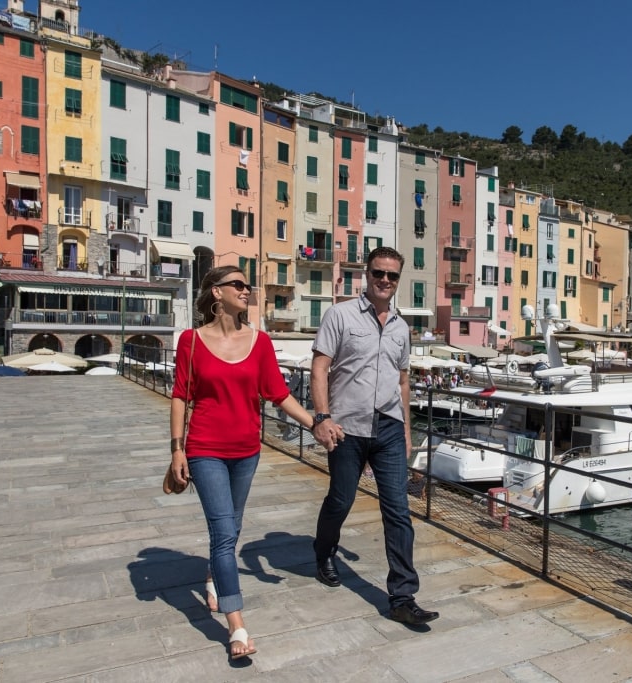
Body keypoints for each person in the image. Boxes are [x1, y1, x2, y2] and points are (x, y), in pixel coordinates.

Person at [168, 265, 336, 660]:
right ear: (216, 293)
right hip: (204, 446)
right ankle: (237, 624)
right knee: (224, 534)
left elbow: (278, 394)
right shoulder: (190, 341)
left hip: (247, 449)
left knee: (232, 526)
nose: (247, 290)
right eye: (238, 285)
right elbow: (180, 395)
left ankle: (213, 574)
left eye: (248, 285)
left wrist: (318, 424)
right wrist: (177, 448)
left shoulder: (259, 342)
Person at [310, 246, 440, 626]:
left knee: (398, 510)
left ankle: (402, 595)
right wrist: (322, 417)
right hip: (346, 426)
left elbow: (402, 382)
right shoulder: (340, 315)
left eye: (392, 276)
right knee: (342, 498)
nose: (385, 280)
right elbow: (320, 369)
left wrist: (407, 430)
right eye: (378, 273)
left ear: (399, 281)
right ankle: (323, 552)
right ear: (366, 275)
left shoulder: (401, 327)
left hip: (387, 428)